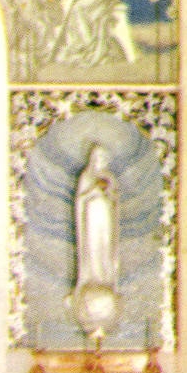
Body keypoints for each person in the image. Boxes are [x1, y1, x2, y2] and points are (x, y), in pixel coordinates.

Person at [71, 144, 119, 340]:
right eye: (98, 157)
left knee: (104, 249)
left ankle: (104, 278)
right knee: (92, 250)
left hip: (105, 219)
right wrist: (93, 190)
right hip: (90, 219)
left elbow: (116, 200)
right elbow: (80, 200)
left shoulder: (110, 177)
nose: (101, 160)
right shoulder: (86, 177)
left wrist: (107, 192)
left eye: (103, 157)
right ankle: (91, 278)